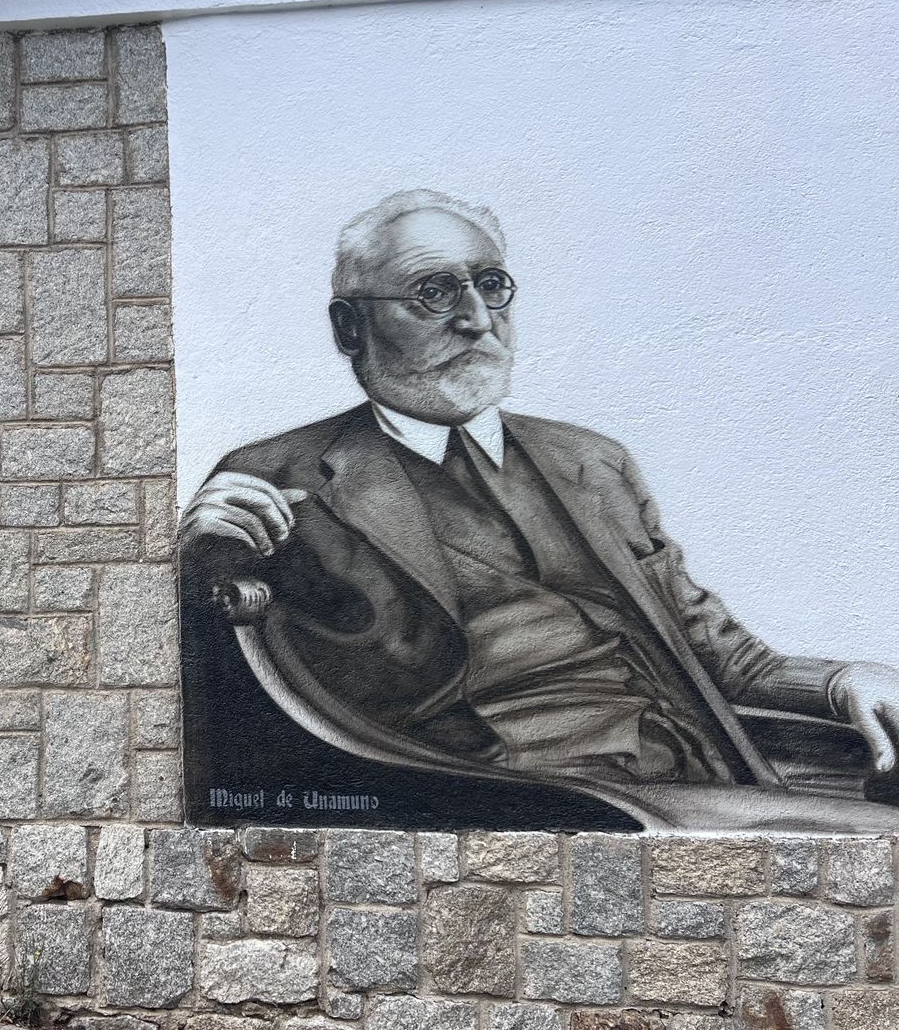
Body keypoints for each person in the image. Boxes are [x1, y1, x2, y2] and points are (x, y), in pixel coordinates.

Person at [180, 189, 899, 831]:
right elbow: (225, 696)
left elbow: (715, 651)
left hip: (704, 764)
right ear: (349, 329)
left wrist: (842, 683)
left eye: (491, 286)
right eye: (433, 292)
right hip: (518, 795)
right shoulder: (275, 480)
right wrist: (193, 563)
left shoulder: (590, 462)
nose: (476, 319)